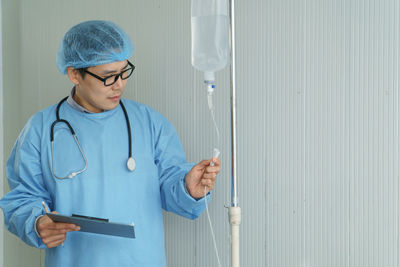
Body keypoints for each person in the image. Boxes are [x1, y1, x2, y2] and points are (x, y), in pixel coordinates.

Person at [0, 20, 220, 267]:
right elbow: (23, 197)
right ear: (74, 74)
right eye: (108, 76)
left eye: (124, 72)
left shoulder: (149, 123)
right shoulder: (41, 129)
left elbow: (172, 188)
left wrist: (188, 188)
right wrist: (36, 223)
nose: (120, 84)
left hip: (142, 259)